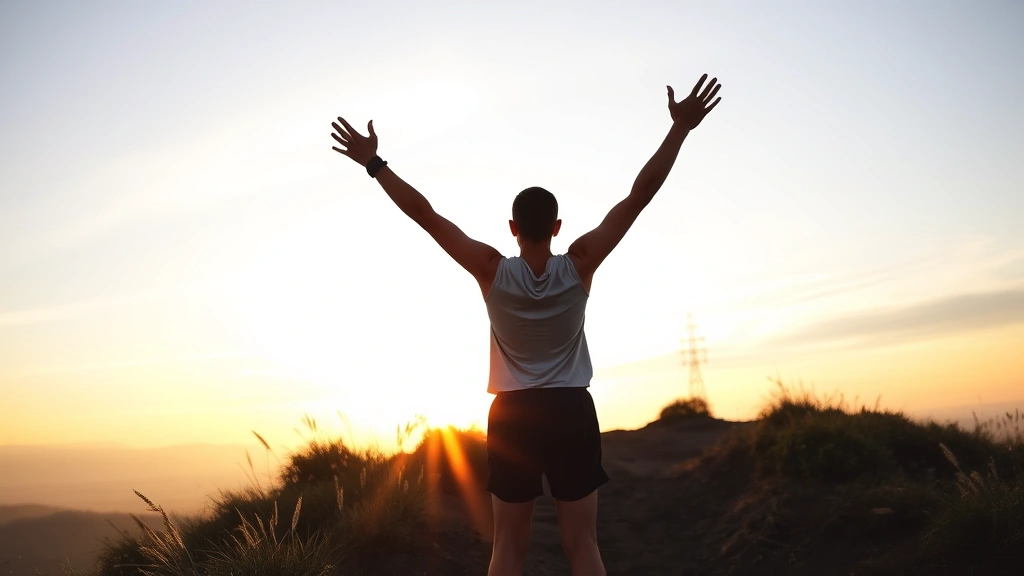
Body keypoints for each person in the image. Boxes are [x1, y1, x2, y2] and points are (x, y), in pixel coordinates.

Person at [330, 74, 722, 576]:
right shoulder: (580, 262)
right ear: (557, 227)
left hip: (513, 414)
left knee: (507, 549)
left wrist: (374, 164)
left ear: (512, 228)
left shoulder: (491, 269)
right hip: (571, 409)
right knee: (582, 545)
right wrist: (680, 131)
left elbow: (426, 216)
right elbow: (638, 196)